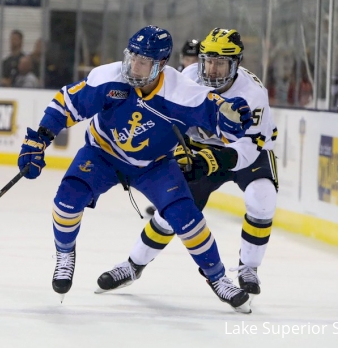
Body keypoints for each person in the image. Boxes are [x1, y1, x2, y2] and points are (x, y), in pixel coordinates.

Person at [16, 25, 259, 314]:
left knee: (187, 217)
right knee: (67, 201)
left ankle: (218, 278)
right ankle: (65, 254)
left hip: (155, 165)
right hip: (102, 154)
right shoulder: (109, 77)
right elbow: (67, 103)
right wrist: (40, 137)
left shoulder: (180, 91)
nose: (135, 66)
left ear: (162, 65)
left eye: (144, 62)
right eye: (133, 57)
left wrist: (232, 116)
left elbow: (217, 113)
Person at [96, 28, 278, 301]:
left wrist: (215, 160)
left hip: (248, 149)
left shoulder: (252, 94)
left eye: (221, 63)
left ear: (236, 64)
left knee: (262, 197)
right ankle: (133, 265)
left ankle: (248, 268)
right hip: (200, 148)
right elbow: (166, 119)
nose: (212, 70)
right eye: (208, 61)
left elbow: (250, 146)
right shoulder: (189, 77)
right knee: (171, 212)